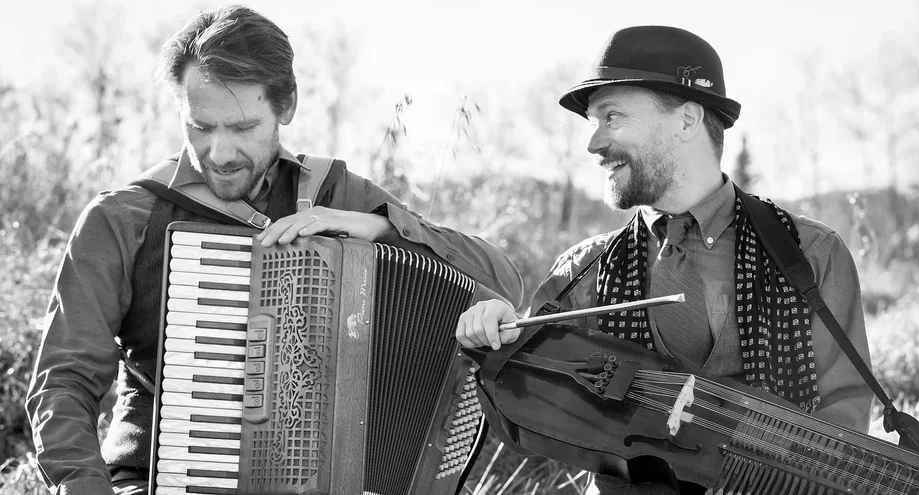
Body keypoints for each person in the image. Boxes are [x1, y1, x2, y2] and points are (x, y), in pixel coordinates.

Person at [25, 5, 523, 495]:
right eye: (200, 127)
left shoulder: (334, 193)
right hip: (154, 482)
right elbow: (62, 382)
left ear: (285, 107)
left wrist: (376, 226)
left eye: (242, 128)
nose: (219, 154)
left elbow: (503, 281)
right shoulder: (123, 219)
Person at [455, 25, 874, 494]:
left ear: (687, 121)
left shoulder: (810, 256)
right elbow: (528, 411)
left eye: (612, 117)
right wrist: (493, 342)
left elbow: (846, 423)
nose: (593, 143)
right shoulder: (583, 271)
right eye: (593, 122)